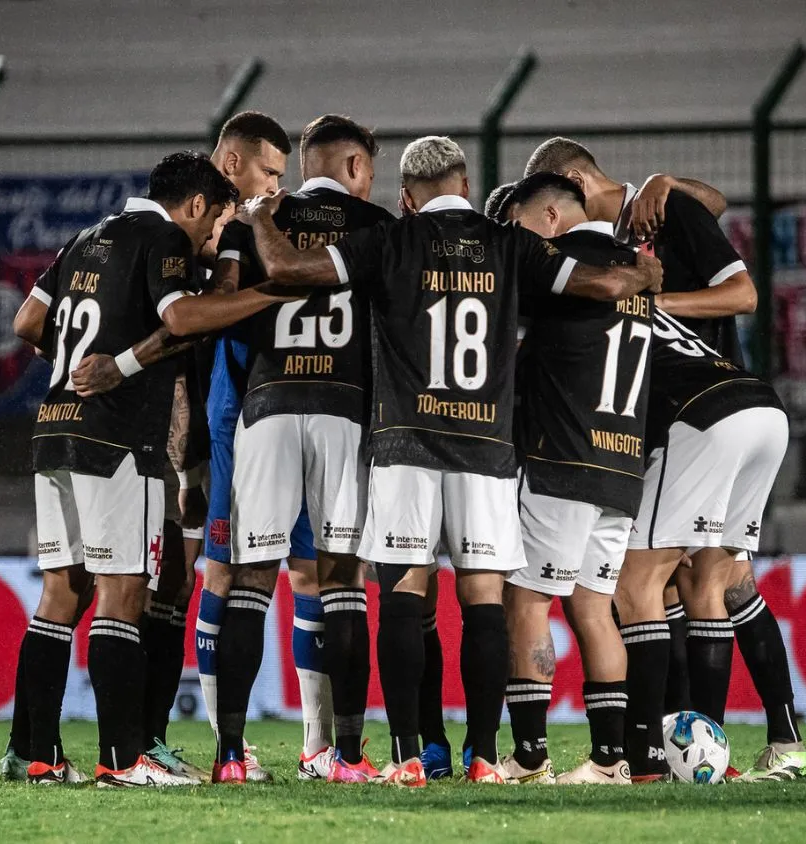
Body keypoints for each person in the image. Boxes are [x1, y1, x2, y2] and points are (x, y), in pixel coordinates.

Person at [230, 135, 663, 786]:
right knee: (485, 596)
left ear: (406, 198)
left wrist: (260, 216)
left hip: (406, 441)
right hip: (484, 447)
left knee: (404, 593)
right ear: (465, 185)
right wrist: (643, 276)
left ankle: (407, 756)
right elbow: (601, 283)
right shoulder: (508, 243)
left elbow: (292, 273)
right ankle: (486, 757)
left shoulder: (391, 240)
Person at [526, 138, 806, 781]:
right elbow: (711, 200)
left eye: (556, 205)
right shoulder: (623, 237)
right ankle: (763, 745)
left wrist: (638, 301)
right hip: (746, 410)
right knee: (716, 582)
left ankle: (646, 754)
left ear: (571, 183)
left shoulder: (648, 223)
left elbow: (741, 294)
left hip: (699, 415)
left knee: (634, 583)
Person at [8, 150, 288, 787]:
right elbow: (182, 318)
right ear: (194, 206)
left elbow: (27, 321)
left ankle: (37, 755)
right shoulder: (163, 236)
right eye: (212, 220)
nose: (209, 237)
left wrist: (78, 360)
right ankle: (122, 759)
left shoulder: (85, 237)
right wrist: (266, 292)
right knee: (124, 591)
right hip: (118, 440)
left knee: (59, 593)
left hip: (54, 431)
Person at [209, 115, 393, 784]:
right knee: (342, 581)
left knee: (252, 579)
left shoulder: (250, 220)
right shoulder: (377, 229)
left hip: (266, 404)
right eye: (368, 169)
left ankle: (229, 757)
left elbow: (222, 306)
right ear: (351, 169)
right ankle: (344, 756)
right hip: (344, 410)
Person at [488, 172, 652, 785]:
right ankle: (610, 759)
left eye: (520, 230)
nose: (518, 245)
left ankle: (529, 755)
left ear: (550, 217)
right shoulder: (637, 273)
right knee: (593, 606)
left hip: (563, 459)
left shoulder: (561, 266)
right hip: (621, 464)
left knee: (526, 599)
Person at [193, 111, 324, 782]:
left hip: (285, 415)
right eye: (271, 170)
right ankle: (230, 746)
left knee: (308, 572)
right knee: (225, 572)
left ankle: (317, 747)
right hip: (232, 417)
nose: (280, 184)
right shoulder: (210, 225)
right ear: (234, 162)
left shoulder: (260, 224)